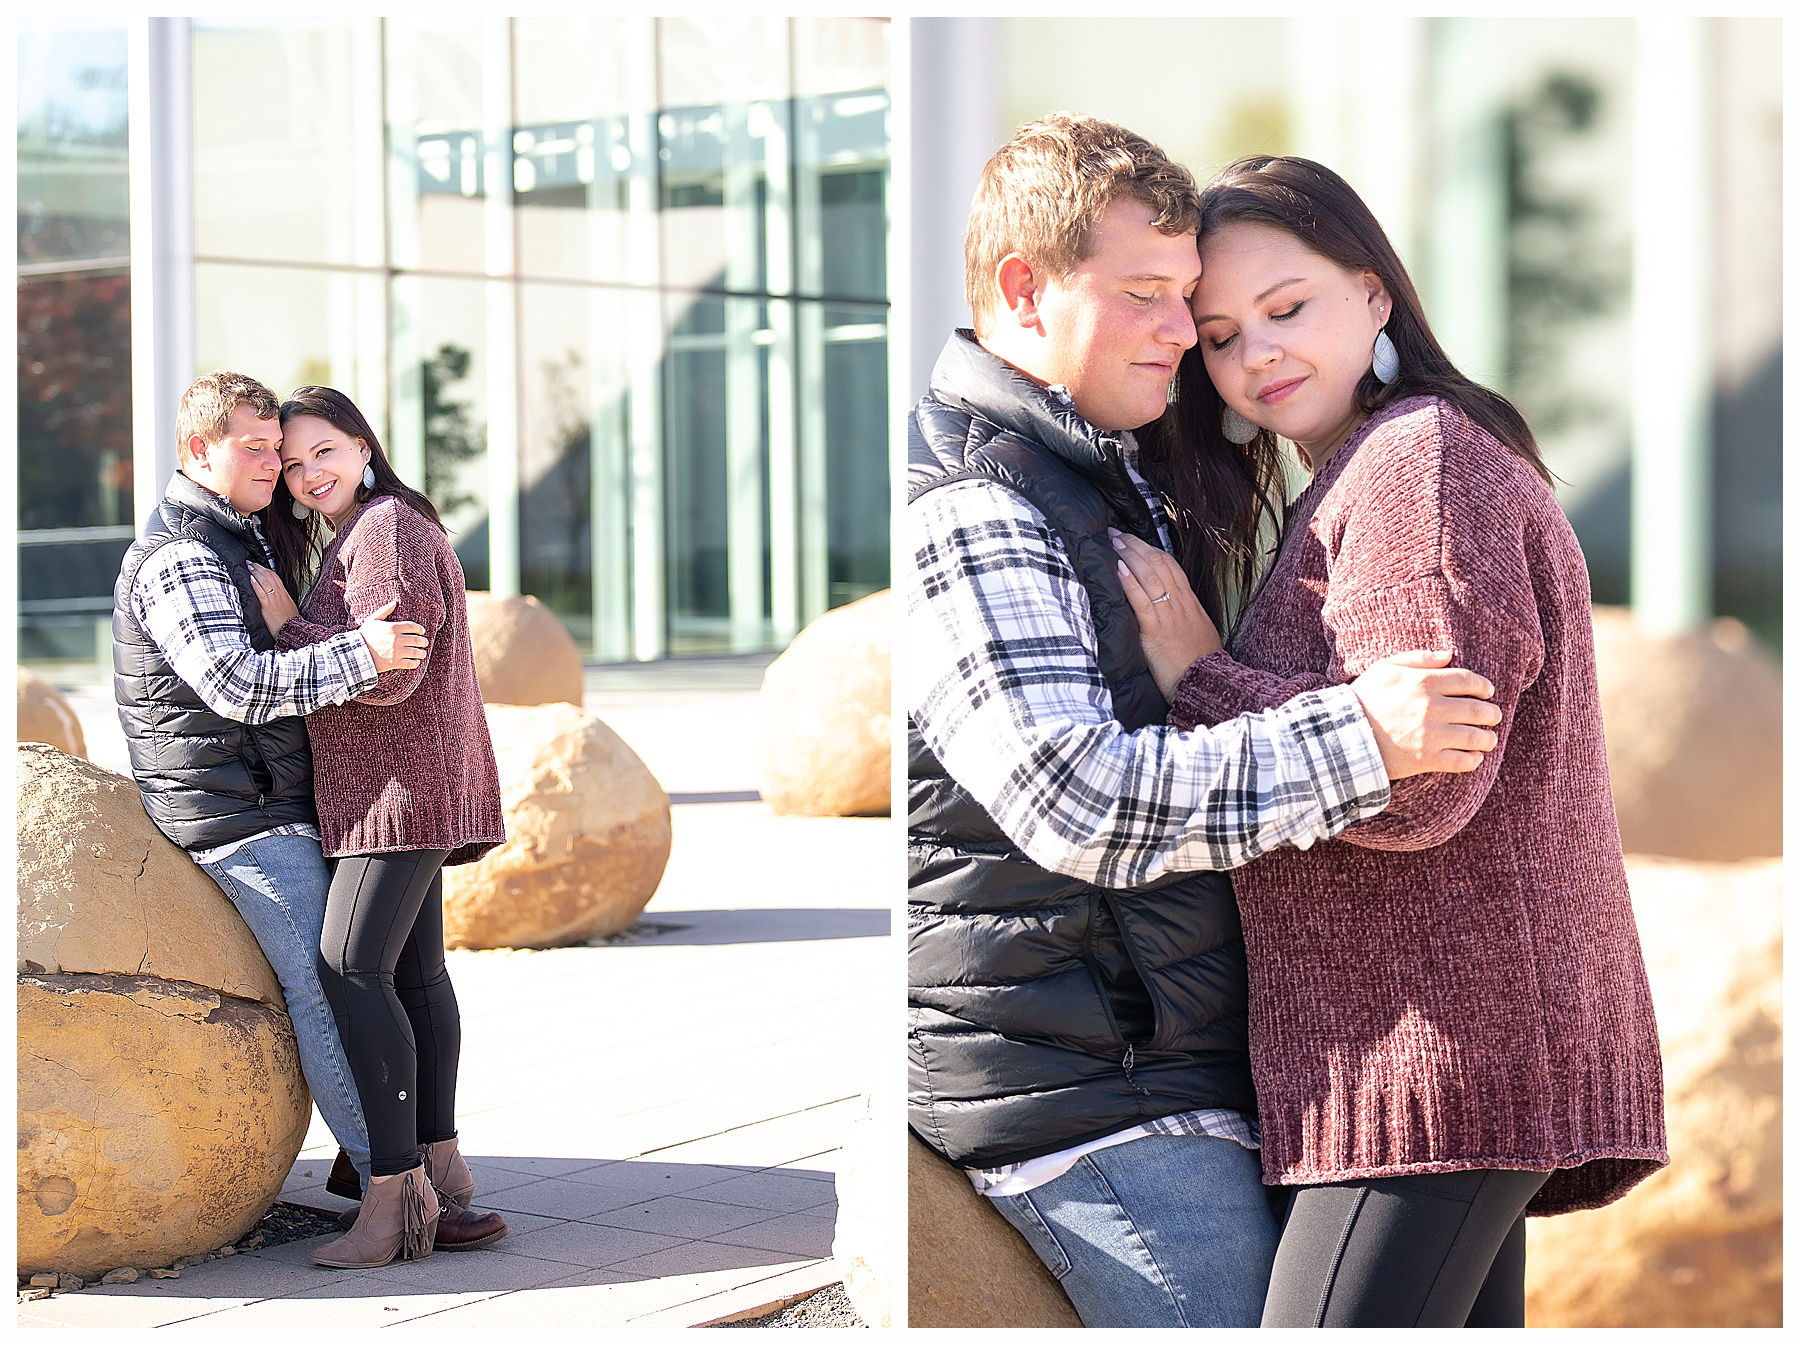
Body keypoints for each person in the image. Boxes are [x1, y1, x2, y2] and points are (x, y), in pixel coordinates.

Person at [904, 115, 1506, 1328]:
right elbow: (1073, 797)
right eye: (1154, 298)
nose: (1188, 337)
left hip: (1173, 1063)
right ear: (1023, 291)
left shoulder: (1107, 473)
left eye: (1197, 304)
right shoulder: (975, 504)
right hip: (1087, 1090)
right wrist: (1360, 740)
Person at [1112, 154, 1667, 1328]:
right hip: (1430, 1054)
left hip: (1436, 1057)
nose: (1255, 353)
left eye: (1286, 308)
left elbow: (1423, 789)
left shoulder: (1414, 465)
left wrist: (1199, 677)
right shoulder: (1381, 467)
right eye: (1218, 334)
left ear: (1375, 294)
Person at [112, 370, 427, 1201]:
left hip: (268, 796)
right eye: (255, 449)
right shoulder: (184, 554)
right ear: (197, 450)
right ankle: (397, 1184)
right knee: (329, 982)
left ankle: (390, 1159)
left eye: (277, 451)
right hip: (236, 814)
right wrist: (364, 652)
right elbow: (236, 684)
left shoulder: (242, 535)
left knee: (375, 973)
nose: (271, 464)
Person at [244, 385, 510, 1269]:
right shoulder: (375, 525)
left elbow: (392, 670)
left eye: (323, 450)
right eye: (291, 463)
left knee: (348, 966)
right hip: (414, 780)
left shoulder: (386, 528)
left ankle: (393, 1192)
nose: (307, 472)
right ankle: (443, 1169)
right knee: (415, 973)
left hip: (399, 788)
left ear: (362, 445)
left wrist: (287, 628)